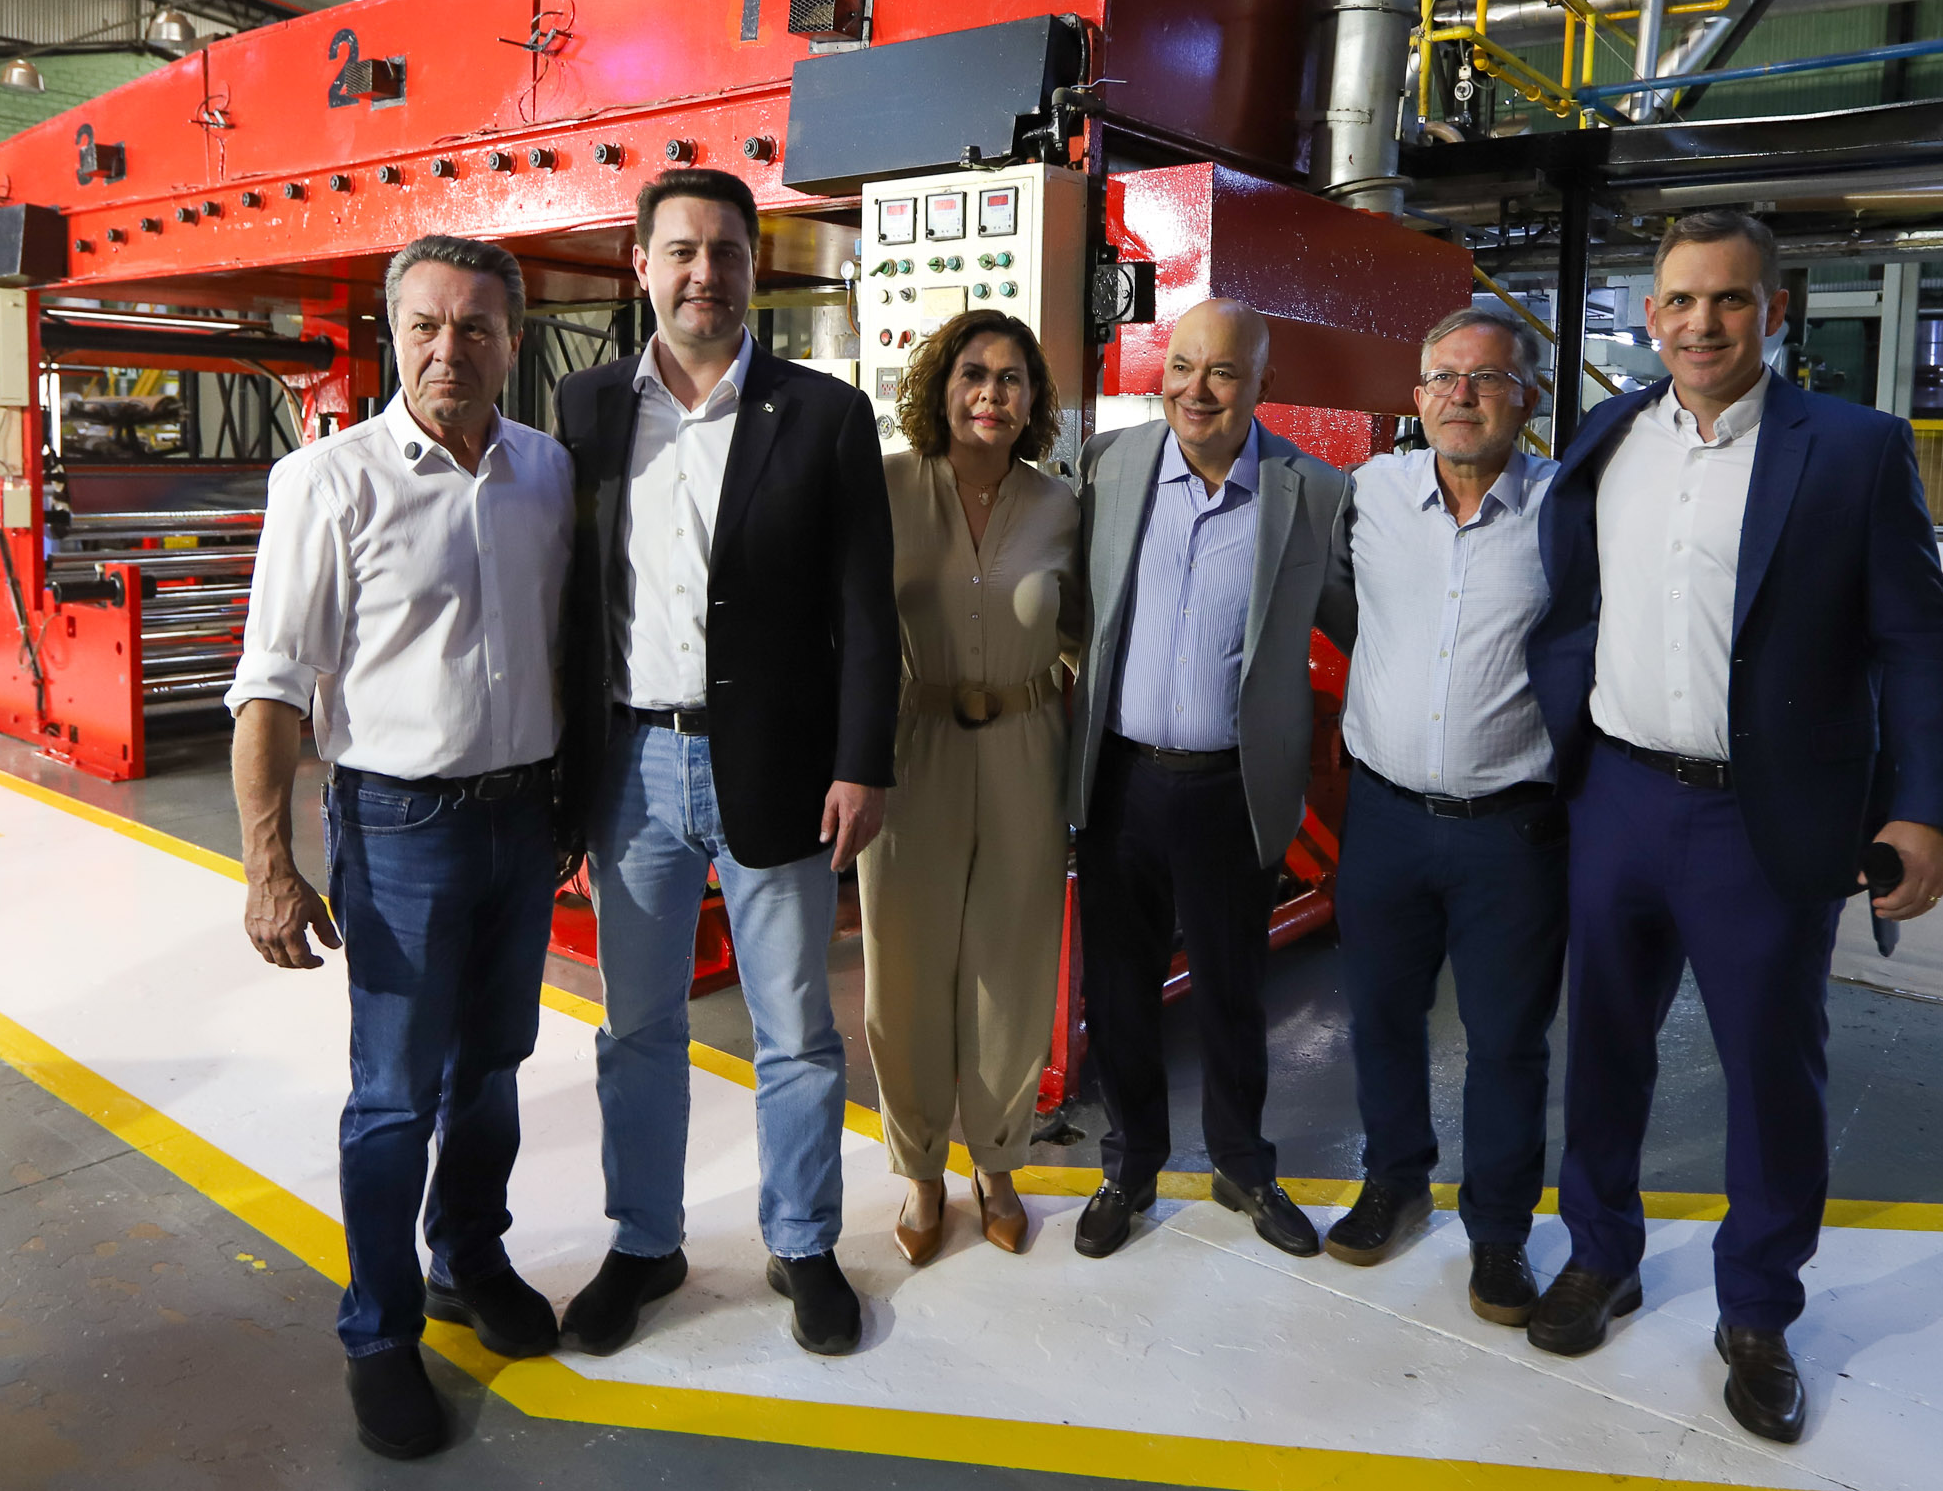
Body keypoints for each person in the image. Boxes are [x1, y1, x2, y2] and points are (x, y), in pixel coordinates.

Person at [1527, 209, 1943, 1445]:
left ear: (1776, 311)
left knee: (1772, 1071)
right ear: (1651, 314)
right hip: (1614, 791)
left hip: (1759, 818)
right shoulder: (1608, 433)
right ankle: (1601, 1253)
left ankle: (1759, 1309)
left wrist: (1925, 807)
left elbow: (1915, 640)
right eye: (1680, 300)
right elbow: (1573, 594)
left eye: (1730, 299)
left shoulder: (1854, 449)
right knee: (1603, 1047)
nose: (1703, 322)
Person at [228, 234, 572, 1461]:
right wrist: (270, 863)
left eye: (477, 326)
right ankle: (378, 1332)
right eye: (425, 324)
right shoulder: (328, 480)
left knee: (491, 1067)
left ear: (513, 341)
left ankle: (466, 1257)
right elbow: (269, 688)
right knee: (391, 1098)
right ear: (393, 334)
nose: (449, 347)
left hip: (523, 815)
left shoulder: (547, 473)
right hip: (400, 825)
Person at [554, 167, 898, 1360]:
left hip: (781, 765)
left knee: (795, 1028)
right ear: (639, 265)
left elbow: (866, 610)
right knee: (635, 1024)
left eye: (729, 252)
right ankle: (645, 1241)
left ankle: (803, 1243)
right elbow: (565, 607)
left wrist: (863, 759)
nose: (706, 273)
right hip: (629, 764)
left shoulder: (823, 414)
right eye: (683, 250)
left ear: (759, 266)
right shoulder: (586, 409)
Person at [1067, 296, 1353, 1262]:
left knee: (1234, 989)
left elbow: (1365, 624)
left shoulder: (1312, 491)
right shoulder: (1114, 469)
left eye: (1222, 372)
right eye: (1183, 365)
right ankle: (1130, 1163)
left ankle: (1242, 1161)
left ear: (1262, 385)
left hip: (1232, 789)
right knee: (1119, 988)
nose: (1197, 389)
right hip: (1121, 782)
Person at [1322, 308, 1566, 1331]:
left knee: (1508, 1036)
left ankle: (1500, 1226)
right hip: (1383, 812)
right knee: (1381, 1012)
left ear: (1532, 399)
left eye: (1486, 378)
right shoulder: (1371, 493)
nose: (1459, 394)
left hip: (1512, 828)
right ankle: (1396, 1175)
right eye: (1441, 379)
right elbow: (1337, 601)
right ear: (1415, 397)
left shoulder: (1567, 511)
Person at [858, 310, 1082, 1264]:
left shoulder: (1063, 505)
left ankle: (997, 1161)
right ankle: (918, 1170)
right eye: (974, 375)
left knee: (1011, 960)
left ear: (1033, 401)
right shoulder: (889, 484)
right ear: (941, 389)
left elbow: (1088, 626)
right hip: (913, 746)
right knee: (902, 964)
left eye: (1012, 379)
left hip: (1029, 742)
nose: (992, 394)